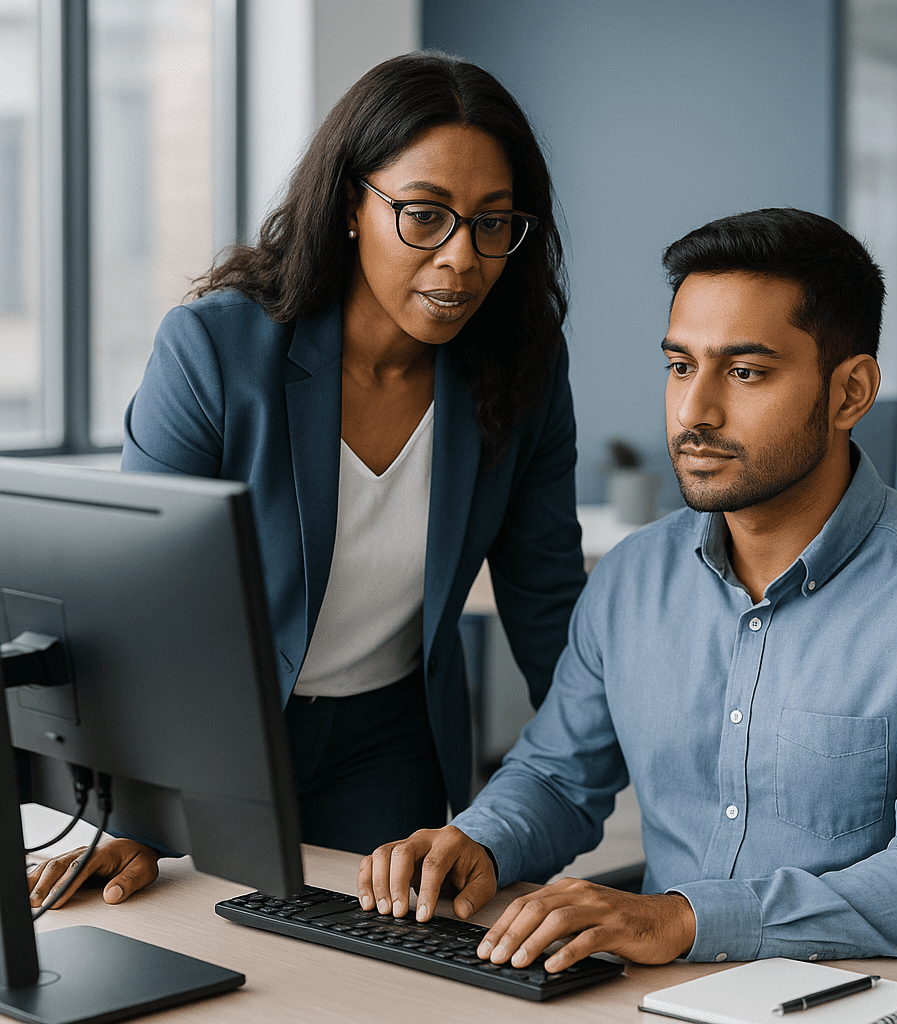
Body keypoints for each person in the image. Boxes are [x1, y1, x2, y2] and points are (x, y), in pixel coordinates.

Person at [359, 209, 897, 976]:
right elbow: (557, 775)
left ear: (850, 393)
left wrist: (684, 918)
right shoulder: (632, 577)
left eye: (745, 372)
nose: (693, 412)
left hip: (858, 1001)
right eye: (680, 366)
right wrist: (479, 841)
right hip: (654, 995)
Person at [27, 51, 586, 908]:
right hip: (221, 738)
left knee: (368, 974)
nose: (461, 260)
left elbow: (548, 605)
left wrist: (572, 789)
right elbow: (138, 609)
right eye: (425, 216)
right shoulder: (216, 350)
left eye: (493, 224)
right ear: (352, 205)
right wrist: (126, 814)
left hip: (388, 745)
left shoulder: (523, 371)